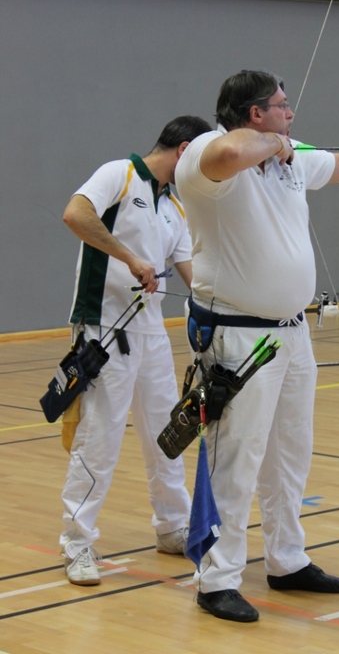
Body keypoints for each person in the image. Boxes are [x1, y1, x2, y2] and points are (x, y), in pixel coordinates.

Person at [174, 68, 339, 623]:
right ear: (255, 114)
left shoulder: (288, 155)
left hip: (292, 332)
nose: (290, 112)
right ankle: (216, 578)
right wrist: (278, 145)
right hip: (239, 335)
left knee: (290, 452)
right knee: (237, 455)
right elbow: (232, 154)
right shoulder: (204, 153)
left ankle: (287, 559)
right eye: (281, 105)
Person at [59, 114, 212, 585]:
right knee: (99, 438)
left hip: (152, 335)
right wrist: (129, 258)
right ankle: (77, 543)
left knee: (167, 434)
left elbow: (194, 277)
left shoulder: (176, 207)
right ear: (184, 151)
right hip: (104, 331)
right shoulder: (119, 175)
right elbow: (75, 215)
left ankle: (171, 525)